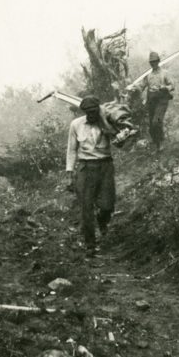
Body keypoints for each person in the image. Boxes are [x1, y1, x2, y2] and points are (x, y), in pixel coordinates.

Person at [66, 96, 116, 258]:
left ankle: (102, 221)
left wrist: (104, 121)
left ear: (99, 110)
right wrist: (69, 172)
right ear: (84, 112)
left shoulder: (107, 122)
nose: (91, 115)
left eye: (94, 111)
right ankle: (90, 244)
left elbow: (118, 138)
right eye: (88, 112)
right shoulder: (76, 125)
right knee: (86, 207)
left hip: (105, 166)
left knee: (107, 205)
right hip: (86, 168)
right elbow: (72, 150)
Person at [130, 51, 174, 152]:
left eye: (154, 61)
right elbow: (141, 86)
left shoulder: (164, 73)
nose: (153, 63)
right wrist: (134, 88)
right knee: (151, 124)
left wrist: (165, 87)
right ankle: (156, 143)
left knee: (156, 122)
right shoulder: (148, 75)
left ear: (158, 61)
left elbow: (172, 86)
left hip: (162, 100)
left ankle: (161, 142)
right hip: (151, 101)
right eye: (151, 62)